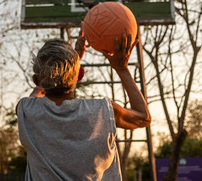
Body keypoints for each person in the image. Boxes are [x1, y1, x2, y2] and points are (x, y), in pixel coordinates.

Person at [16, 32, 151, 180]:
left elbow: (36, 93)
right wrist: (121, 68)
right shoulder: (103, 111)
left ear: (36, 80)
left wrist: (58, 71)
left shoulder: (26, 110)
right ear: (80, 75)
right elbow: (143, 117)